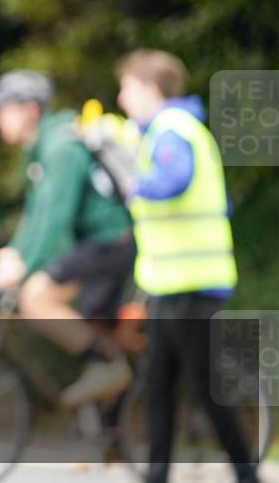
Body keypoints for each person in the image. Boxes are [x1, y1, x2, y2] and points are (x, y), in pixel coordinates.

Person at [116, 49, 257, 483]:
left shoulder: (173, 129)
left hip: (193, 285)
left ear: (150, 89)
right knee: (158, 386)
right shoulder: (166, 131)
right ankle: (158, 473)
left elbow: (172, 183)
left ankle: (246, 473)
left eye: (127, 88)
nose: (122, 99)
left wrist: (131, 181)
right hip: (170, 285)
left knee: (204, 388)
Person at [0, 70, 136, 407]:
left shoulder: (61, 148)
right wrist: (14, 252)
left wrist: (25, 266)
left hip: (110, 242)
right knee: (97, 330)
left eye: (3, 108)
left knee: (36, 298)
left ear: (30, 110)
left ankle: (106, 366)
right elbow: (37, 216)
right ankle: (110, 435)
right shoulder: (42, 149)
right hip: (97, 245)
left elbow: (56, 219)